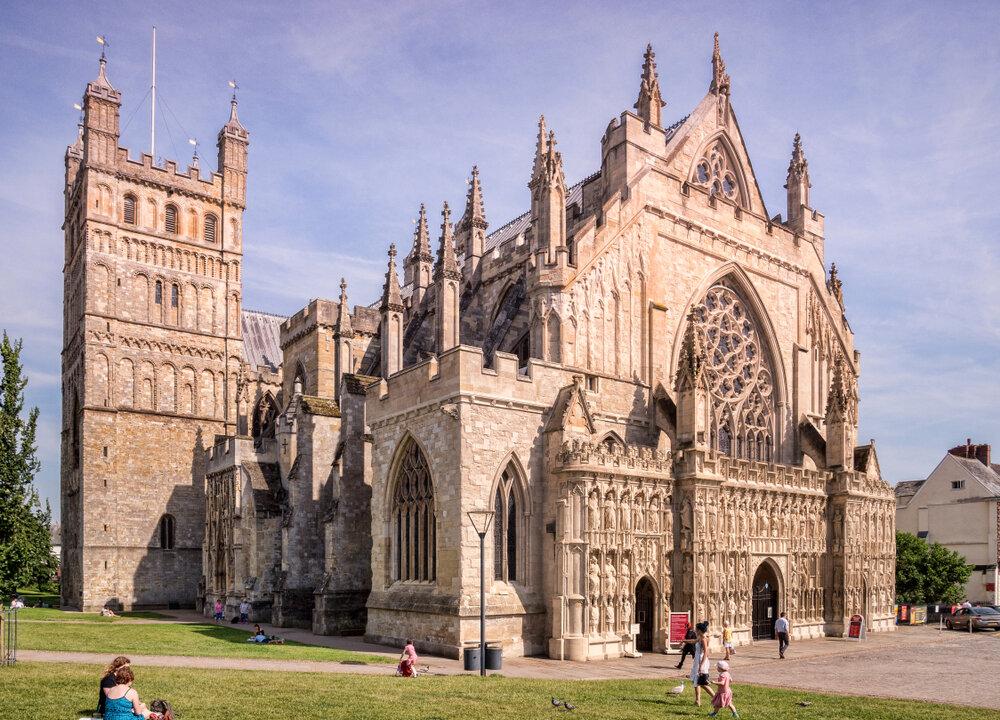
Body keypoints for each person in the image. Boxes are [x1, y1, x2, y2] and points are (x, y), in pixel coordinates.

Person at [691, 622, 715, 707]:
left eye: (696, 629)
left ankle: (715, 698)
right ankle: (697, 701)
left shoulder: (704, 639)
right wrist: (684, 641)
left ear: (699, 630)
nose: (695, 630)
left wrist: (701, 665)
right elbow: (694, 641)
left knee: (702, 683)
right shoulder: (700, 637)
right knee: (696, 681)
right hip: (697, 660)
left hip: (701, 661)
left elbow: (706, 653)